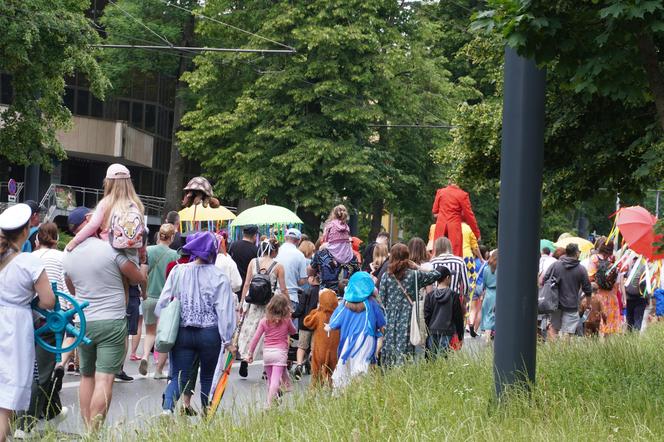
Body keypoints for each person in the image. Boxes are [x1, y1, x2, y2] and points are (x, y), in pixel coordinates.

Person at [62, 206, 146, 431]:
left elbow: (71, 287)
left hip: (84, 322)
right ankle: (94, 433)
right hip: (111, 320)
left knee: (86, 376)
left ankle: (87, 426)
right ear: (89, 220)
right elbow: (136, 277)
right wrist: (143, 266)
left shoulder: (68, 254)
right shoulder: (109, 250)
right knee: (105, 378)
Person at [157, 232, 237, 413]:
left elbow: (163, 301)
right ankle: (207, 414)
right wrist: (228, 339)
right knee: (208, 377)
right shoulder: (219, 276)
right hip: (210, 333)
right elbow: (224, 311)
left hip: (183, 331)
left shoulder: (178, 271)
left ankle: (167, 409)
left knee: (179, 376)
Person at [0, 204, 56, 442]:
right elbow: (48, 301)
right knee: (7, 397)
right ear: (26, 231)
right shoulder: (28, 262)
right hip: (15, 326)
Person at [14, 223, 72, 437]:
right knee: (41, 374)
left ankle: (54, 412)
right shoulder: (63, 258)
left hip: (29, 319)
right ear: (57, 238)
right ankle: (25, 426)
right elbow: (65, 288)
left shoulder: (29, 259)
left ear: (37, 240)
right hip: (54, 319)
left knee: (35, 370)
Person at [379, 244, 440, 367]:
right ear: (407, 257)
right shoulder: (414, 275)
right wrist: (418, 267)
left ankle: (389, 373)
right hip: (408, 316)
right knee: (406, 347)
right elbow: (437, 274)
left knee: (390, 347)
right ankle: (404, 373)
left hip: (390, 317)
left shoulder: (386, 276)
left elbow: (381, 300)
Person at [66, 164, 145, 259]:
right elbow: (142, 231)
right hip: (131, 251)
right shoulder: (135, 204)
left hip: (109, 249)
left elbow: (93, 225)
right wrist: (142, 253)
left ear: (108, 183)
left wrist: (74, 241)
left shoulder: (106, 202)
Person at [237, 239, 288, 378]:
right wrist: (287, 305)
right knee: (268, 335)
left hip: (253, 303)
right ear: (274, 251)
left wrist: (242, 303)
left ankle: (245, 358)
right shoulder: (278, 266)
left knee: (250, 331)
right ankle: (266, 369)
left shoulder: (253, 262)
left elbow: (247, 284)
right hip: (269, 305)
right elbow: (283, 288)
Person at [327, 272, 386, 390]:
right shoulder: (372, 303)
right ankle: (361, 391)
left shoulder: (344, 304)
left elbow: (334, 323)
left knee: (346, 365)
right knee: (362, 365)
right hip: (366, 337)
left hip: (349, 340)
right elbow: (382, 324)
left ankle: (345, 392)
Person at [140, 223, 180, 379]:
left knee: (149, 332)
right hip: (165, 300)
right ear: (171, 237)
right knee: (164, 334)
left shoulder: (148, 251)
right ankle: (158, 371)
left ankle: (144, 356)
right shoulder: (174, 255)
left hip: (148, 296)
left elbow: (142, 273)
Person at [245, 295, 297, 407]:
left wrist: (250, 353)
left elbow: (255, 338)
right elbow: (293, 331)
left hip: (267, 353)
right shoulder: (286, 321)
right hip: (280, 353)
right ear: (285, 308)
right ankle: (268, 404)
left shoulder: (264, 321)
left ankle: (275, 400)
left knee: (270, 380)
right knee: (275, 381)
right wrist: (289, 318)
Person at [542, 243, 592, 339]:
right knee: (568, 332)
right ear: (577, 253)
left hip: (555, 303)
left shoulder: (555, 265)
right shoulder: (581, 269)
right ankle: (563, 353)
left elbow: (545, 280)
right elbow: (587, 289)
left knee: (553, 328)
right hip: (572, 305)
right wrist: (588, 304)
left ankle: (553, 352)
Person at [431, 181, 481, 257]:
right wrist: (477, 234)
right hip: (454, 227)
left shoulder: (440, 192)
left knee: (437, 253)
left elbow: (434, 211)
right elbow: (469, 216)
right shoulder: (462, 194)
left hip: (441, 226)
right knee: (455, 254)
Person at [302, 289, 340, 387]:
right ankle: (334, 388)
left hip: (320, 350)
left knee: (317, 370)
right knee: (334, 371)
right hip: (334, 351)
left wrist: (316, 310)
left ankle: (316, 388)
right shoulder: (338, 316)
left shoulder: (318, 315)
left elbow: (307, 322)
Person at [424, 266, 464, 357]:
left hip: (432, 331)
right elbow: (458, 317)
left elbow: (426, 316)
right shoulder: (454, 296)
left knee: (431, 360)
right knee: (444, 360)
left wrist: (427, 331)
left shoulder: (429, 296)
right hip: (448, 332)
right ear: (447, 278)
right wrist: (460, 335)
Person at [587, 238, 621, 336]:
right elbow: (616, 282)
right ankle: (607, 348)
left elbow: (590, 278)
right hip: (611, 296)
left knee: (596, 323)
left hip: (598, 296)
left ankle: (596, 346)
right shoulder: (613, 260)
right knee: (609, 326)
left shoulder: (594, 258)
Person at [291, 275, 320, 380]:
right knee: (314, 347)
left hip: (305, 323)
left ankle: (299, 364)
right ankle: (313, 365)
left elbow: (300, 308)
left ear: (312, 279)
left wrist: (293, 315)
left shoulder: (306, 291)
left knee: (301, 346)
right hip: (317, 324)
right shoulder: (322, 292)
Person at [429, 237, 471, 302]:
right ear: (449, 247)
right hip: (454, 300)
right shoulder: (459, 261)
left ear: (436, 248)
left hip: (436, 301)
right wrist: (465, 299)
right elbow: (466, 285)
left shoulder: (432, 263)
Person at [276, 228, 308, 310]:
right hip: (291, 297)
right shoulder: (300, 255)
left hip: (274, 296)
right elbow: (303, 280)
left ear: (285, 238)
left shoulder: (276, 252)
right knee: (290, 323)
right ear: (298, 241)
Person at [229, 225, 259, 300]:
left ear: (243, 234)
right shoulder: (255, 250)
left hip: (234, 284)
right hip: (248, 285)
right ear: (254, 236)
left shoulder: (233, 246)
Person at [622, 257, 647, 332]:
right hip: (640, 298)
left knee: (630, 322)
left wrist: (624, 297)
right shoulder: (645, 268)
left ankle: (630, 339)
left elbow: (623, 282)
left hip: (630, 298)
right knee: (637, 321)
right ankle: (634, 339)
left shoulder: (629, 269)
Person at [478, 250, 498, 340]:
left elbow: (484, 284)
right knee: (495, 316)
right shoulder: (502, 269)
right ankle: (490, 337)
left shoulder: (486, 269)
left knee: (488, 315)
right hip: (499, 293)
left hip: (489, 294)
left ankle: (487, 337)